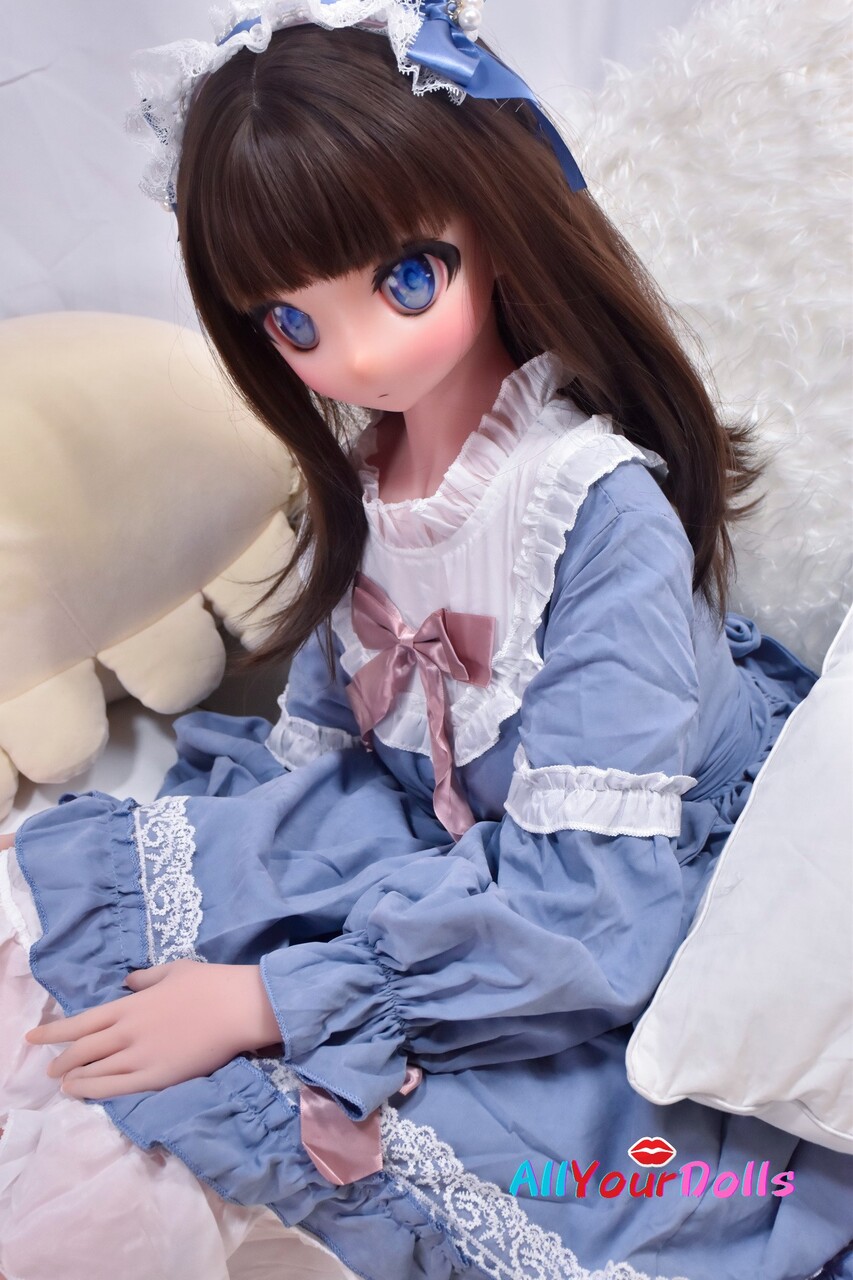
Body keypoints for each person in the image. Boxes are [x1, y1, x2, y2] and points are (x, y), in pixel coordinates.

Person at [1, 3, 851, 1277]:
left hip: (599, 901)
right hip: (438, 839)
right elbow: (328, 727)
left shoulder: (597, 513)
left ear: (500, 224)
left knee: (388, 1134)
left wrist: (274, 996)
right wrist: (240, 862)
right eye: (291, 323)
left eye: (407, 278)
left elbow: (595, 904)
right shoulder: (374, 466)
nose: (354, 356)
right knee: (85, 953)